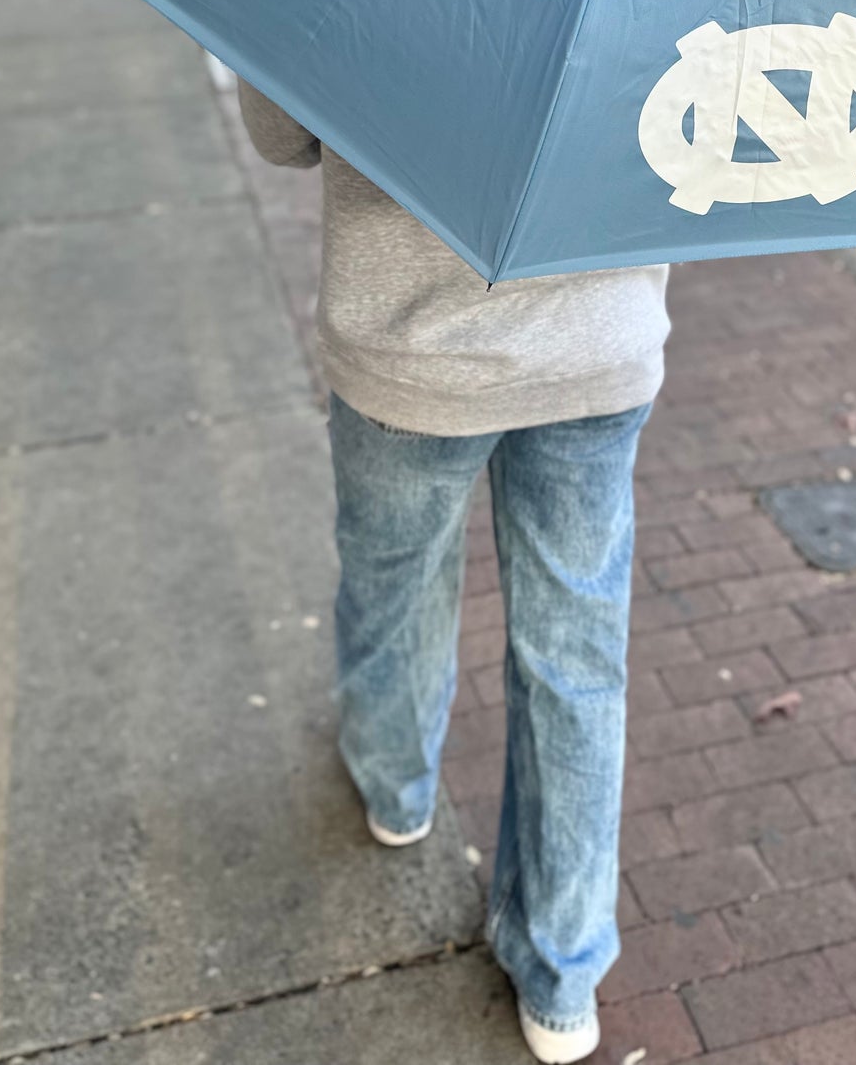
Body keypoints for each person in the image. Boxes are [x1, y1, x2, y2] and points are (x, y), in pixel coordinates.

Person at [238, 82, 671, 1065]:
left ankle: (395, 786)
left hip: (409, 341)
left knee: (392, 586)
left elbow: (279, 136)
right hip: (600, 337)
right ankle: (561, 976)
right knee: (575, 657)